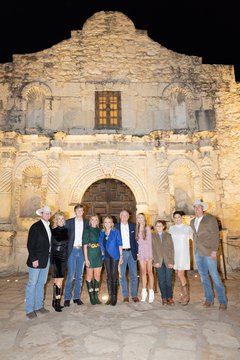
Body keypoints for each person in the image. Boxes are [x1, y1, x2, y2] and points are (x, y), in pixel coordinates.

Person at [190, 199, 227, 310]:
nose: (197, 209)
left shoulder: (210, 219)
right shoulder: (192, 221)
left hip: (209, 252)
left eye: (199, 206)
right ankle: (208, 299)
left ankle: (222, 301)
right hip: (198, 252)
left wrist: (214, 250)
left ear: (203, 208)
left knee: (215, 276)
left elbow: (216, 235)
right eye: (195, 207)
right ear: (194, 209)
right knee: (203, 277)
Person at [25, 205, 54, 319]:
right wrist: (34, 259)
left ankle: (39, 306)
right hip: (36, 260)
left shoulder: (49, 226)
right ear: (41, 214)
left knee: (41, 283)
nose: (47, 215)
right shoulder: (35, 227)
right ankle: (29, 309)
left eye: (49, 213)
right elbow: (30, 244)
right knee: (32, 284)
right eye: (45, 213)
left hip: (46, 259)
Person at [64, 203, 88, 307]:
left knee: (79, 276)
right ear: (75, 211)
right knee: (70, 275)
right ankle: (67, 298)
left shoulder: (86, 223)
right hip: (72, 250)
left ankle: (77, 297)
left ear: (83, 212)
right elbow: (64, 237)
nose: (80, 212)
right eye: (78, 210)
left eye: (81, 210)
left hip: (81, 251)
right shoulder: (68, 222)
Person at [169, 211, 193, 305]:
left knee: (180, 274)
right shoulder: (171, 228)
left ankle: (186, 297)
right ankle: (182, 295)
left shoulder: (187, 228)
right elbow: (169, 242)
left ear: (181, 218)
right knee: (177, 274)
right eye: (175, 217)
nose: (177, 219)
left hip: (183, 255)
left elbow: (194, 238)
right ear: (173, 218)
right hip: (175, 255)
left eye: (179, 217)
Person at [115, 210, 139, 303]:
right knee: (122, 275)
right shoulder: (116, 227)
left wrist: (137, 252)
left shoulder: (133, 226)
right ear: (120, 216)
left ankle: (134, 295)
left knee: (134, 275)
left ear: (128, 216)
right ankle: (125, 296)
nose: (124, 217)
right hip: (121, 253)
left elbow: (136, 240)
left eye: (126, 215)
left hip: (132, 252)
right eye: (123, 215)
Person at [98, 216, 123, 306]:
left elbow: (120, 243)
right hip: (106, 257)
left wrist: (121, 256)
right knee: (108, 276)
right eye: (105, 222)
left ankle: (114, 297)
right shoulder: (102, 232)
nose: (107, 224)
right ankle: (110, 297)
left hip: (115, 256)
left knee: (114, 275)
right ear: (103, 223)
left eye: (109, 222)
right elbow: (100, 243)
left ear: (112, 223)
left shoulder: (116, 231)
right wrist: (101, 252)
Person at [152, 220, 175, 305]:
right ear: (155, 227)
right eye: (157, 226)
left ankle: (170, 297)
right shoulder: (153, 236)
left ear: (163, 226)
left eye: (160, 225)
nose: (159, 227)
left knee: (168, 279)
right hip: (159, 261)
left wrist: (172, 261)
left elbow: (171, 249)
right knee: (161, 280)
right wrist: (155, 261)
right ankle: (164, 298)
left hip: (168, 260)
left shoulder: (168, 235)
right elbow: (152, 250)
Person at [50, 211, 68, 312]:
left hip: (63, 257)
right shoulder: (53, 231)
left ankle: (55, 301)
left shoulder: (66, 230)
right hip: (56, 257)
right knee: (57, 280)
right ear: (56, 220)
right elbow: (51, 246)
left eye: (62, 219)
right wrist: (52, 258)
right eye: (59, 219)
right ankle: (56, 302)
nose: (61, 221)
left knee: (60, 280)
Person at [82, 215, 102, 305]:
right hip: (90, 254)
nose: (94, 221)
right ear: (90, 221)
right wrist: (86, 258)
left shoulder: (100, 231)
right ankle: (91, 297)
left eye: (96, 219)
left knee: (97, 275)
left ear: (98, 221)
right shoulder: (87, 231)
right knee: (89, 275)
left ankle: (96, 296)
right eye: (92, 219)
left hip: (98, 254)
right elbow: (85, 245)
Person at [136, 213, 154, 303]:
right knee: (143, 272)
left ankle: (151, 292)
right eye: (138, 217)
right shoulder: (137, 229)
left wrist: (150, 254)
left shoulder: (147, 228)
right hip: (141, 253)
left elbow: (150, 242)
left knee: (150, 272)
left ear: (144, 218)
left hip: (148, 252)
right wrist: (138, 254)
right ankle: (144, 292)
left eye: (141, 217)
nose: (140, 219)